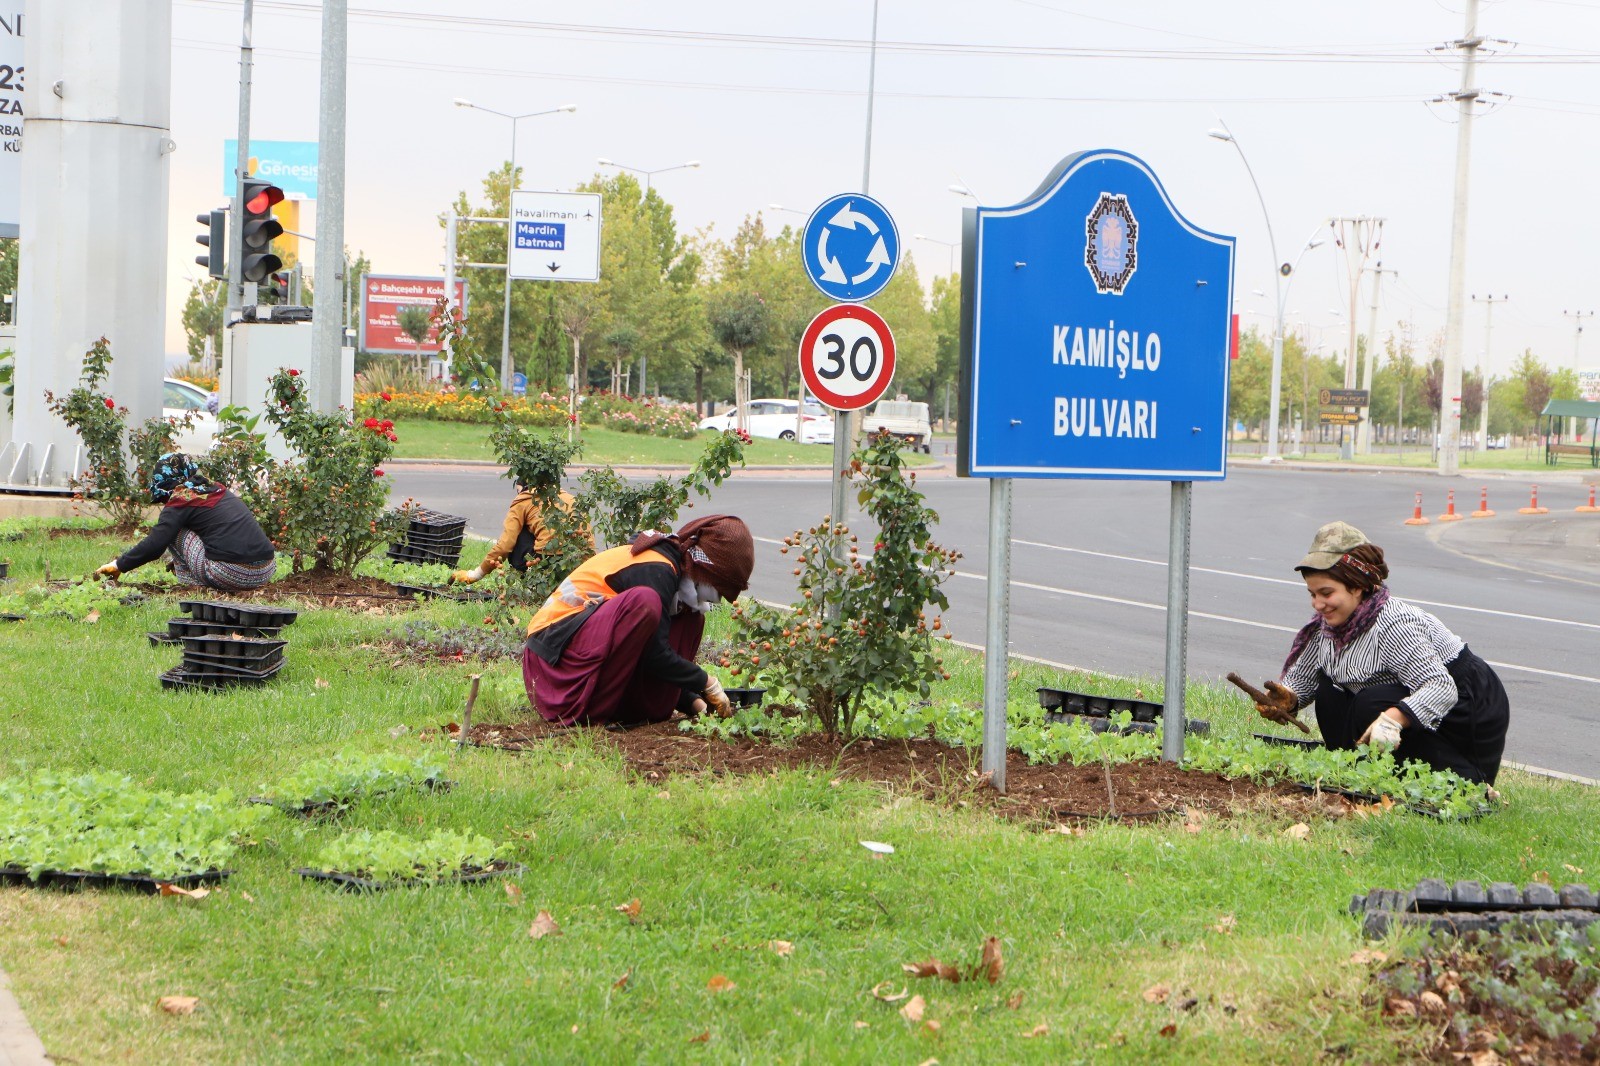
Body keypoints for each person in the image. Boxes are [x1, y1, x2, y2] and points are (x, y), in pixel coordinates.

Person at [1253, 520, 1509, 784]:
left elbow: (1441, 687)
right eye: (1312, 594)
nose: (1317, 604)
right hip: (1406, 695)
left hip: (1466, 704)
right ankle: (1354, 771)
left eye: (1326, 593)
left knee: (1371, 703)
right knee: (1331, 691)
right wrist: (1288, 699)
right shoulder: (1327, 627)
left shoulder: (1393, 623)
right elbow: (1305, 680)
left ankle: (1465, 781)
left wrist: (1393, 720)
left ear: (1357, 585)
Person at [522, 514, 754, 727]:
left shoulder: (673, 577)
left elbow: (647, 652)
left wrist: (696, 704)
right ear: (704, 569)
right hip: (551, 668)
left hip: (580, 655)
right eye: (718, 589)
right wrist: (705, 682)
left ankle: (631, 711)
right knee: (644, 601)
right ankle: (589, 713)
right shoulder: (657, 570)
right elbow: (655, 653)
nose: (716, 599)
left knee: (692, 620)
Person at [95, 453, 277, 592]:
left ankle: (191, 586)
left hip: (231, 574)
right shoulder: (216, 488)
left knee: (173, 531)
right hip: (266, 569)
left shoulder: (181, 497)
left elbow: (155, 545)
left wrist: (119, 565)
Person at [451, 483, 588, 585]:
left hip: (545, 564)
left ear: (522, 487)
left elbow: (505, 546)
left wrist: (475, 574)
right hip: (581, 564)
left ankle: (532, 583)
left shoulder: (523, 499)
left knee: (517, 534)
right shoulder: (569, 498)